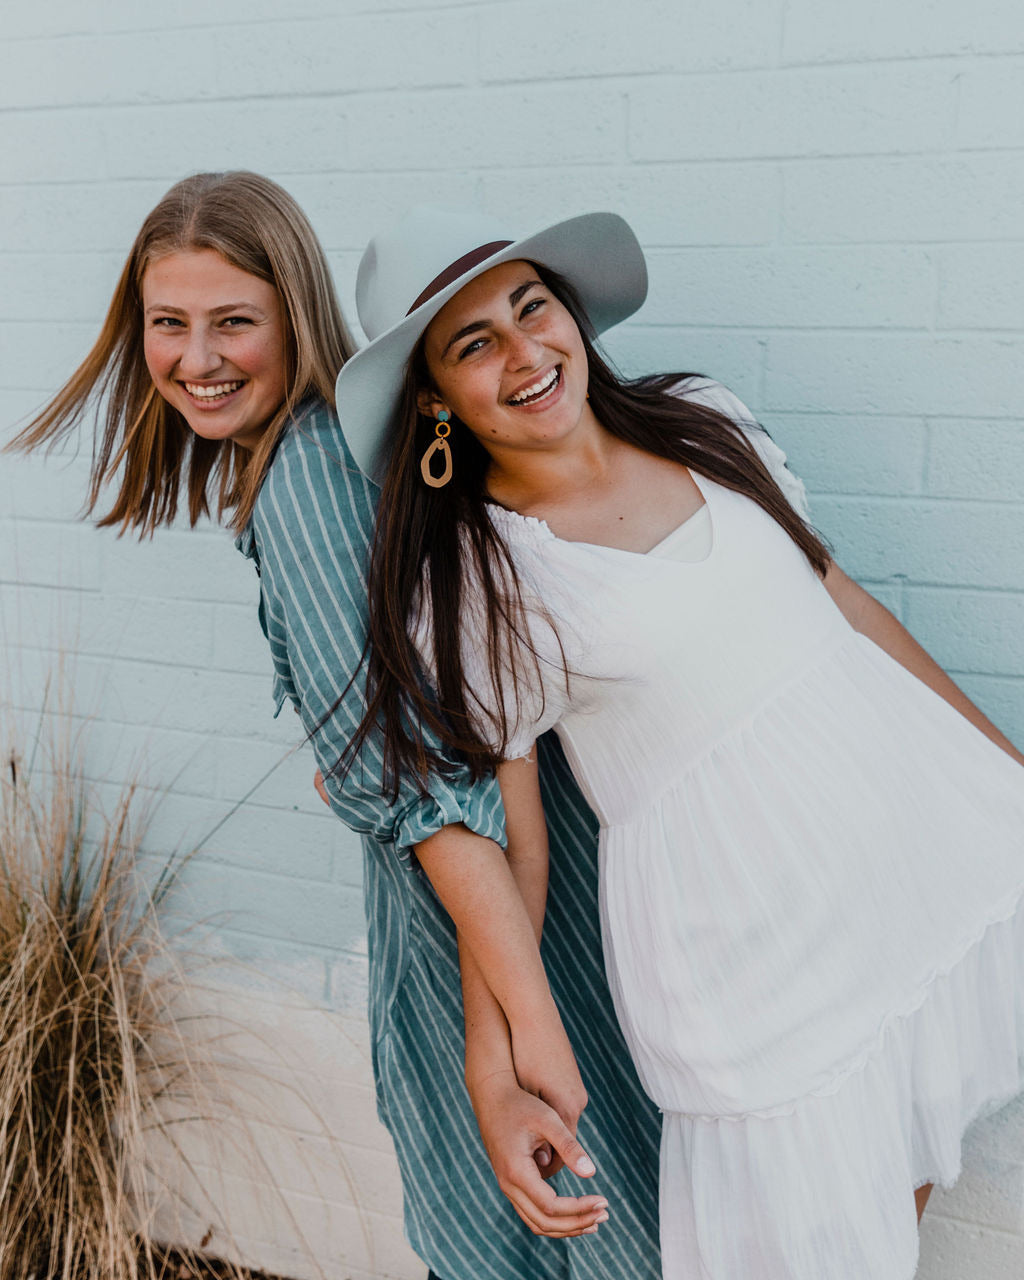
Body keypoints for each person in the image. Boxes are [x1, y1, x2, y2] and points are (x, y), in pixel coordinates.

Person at [333, 204, 1024, 1280]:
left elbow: (847, 607)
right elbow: (507, 844)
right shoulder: (482, 582)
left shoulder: (702, 419)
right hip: (743, 946)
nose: (525, 352)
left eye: (533, 308)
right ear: (435, 399)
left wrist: (1007, 769)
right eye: (475, 343)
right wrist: (501, 1061)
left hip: (900, 869)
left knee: (896, 1184)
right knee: (820, 1244)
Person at [5, 173, 664, 1280]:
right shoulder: (348, 453)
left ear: (294, 316)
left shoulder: (305, 476)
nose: (197, 359)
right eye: (169, 323)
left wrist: (504, 1036)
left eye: (233, 323)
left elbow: (425, 790)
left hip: (477, 914)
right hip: (527, 881)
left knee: (550, 1223)